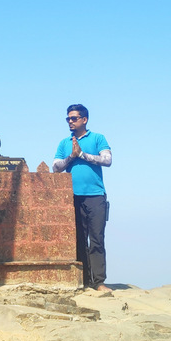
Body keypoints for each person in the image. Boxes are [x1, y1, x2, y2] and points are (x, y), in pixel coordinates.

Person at [52, 104, 112, 291]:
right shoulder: (64, 143)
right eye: (68, 118)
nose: (70, 121)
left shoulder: (97, 138)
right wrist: (72, 156)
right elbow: (55, 167)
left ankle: (99, 281)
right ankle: (84, 282)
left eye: (74, 118)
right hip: (73, 197)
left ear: (84, 120)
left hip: (95, 196)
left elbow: (107, 160)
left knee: (96, 239)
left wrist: (83, 155)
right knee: (78, 239)